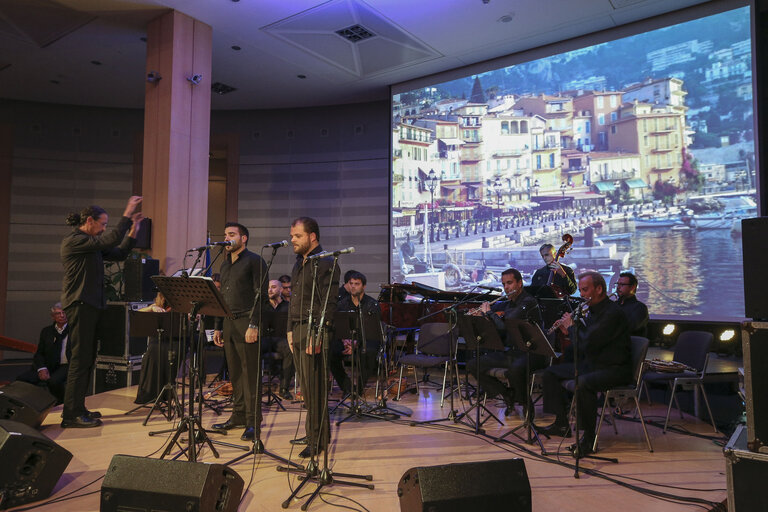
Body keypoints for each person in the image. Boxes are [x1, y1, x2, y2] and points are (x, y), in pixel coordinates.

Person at [59, 196, 143, 428]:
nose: (105, 228)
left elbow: (120, 252)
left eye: (106, 224)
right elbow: (113, 238)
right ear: (89, 221)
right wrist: (128, 211)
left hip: (91, 306)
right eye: (103, 223)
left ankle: (79, 408)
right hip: (79, 305)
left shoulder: (92, 246)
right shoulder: (75, 241)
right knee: (79, 360)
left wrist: (134, 229)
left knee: (87, 359)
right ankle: (70, 415)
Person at [540, 271, 632, 455]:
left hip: (615, 368)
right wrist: (570, 330)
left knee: (582, 384)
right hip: (594, 363)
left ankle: (588, 439)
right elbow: (583, 344)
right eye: (580, 290)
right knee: (550, 373)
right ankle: (561, 423)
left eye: (585, 290)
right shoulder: (592, 311)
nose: (581, 294)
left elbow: (590, 343)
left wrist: (572, 327)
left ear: (599, 289)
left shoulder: (612, 313)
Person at [287, 217, 340, 459]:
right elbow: (294, 299)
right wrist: (289, 329)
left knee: (316, 388)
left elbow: (328, 303)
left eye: (297, 236)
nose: (292, 240)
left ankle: (318, 439)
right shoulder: (299, 263)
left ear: (312, 237)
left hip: (313, 331)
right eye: (292, 236)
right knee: (306, 390)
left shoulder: (326, 263)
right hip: (297, 329)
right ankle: (312, 432)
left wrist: (317, 334)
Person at [211, 222, 268, 442]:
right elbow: (222, 298)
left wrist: (254, 325)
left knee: (250, 374)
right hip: (228, 322)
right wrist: (218, 326)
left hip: (247, 322)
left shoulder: (255, 261)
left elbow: (260, 296)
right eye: (225, 234)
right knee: (234, 373)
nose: (227, 238)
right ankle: (238, 416)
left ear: (243, 238)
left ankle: (253, 422)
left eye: (232, 234)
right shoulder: (225, 265)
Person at [465, 268, 544, 416]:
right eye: (504, 284)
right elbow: (500, 332)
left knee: (514, 369)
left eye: (509, 283)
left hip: (532, 353)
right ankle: (506, 394)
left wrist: (489, 313)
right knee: (473, 364)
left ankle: (526, 403)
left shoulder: (528, 302)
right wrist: (483, 319)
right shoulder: (508, 304)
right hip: (513, 352)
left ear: (519, 283)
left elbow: (506, 324)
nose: (506, 287)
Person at [330, 271, 380, 396]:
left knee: (369, 352)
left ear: (364, 286)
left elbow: (372, 329)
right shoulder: (342, 304)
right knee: (330, 353)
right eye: (351, 283)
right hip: (347, 340)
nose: (353, 286)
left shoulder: (372, 304)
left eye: (356, 284)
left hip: (365, 340)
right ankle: (347, 387)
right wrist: (345, 341)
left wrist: (356, 344)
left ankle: (359, 389)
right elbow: (338, 326)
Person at [17, 303, 71, 404]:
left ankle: (62, 404)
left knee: (54, 381)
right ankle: (32, 404)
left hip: (65, 365)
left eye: (64, 313)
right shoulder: (47, 331)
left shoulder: (74, 330)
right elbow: (39, 353)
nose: (62, 315)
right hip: (48, 365)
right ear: (53, 317)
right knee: (21, 379)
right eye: (58, 313)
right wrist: (42, 368)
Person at [261, 279, 294, 399]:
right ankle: (254, 387)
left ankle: (284, 388)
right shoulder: (262, 306)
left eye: (274, 287)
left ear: (281, 289)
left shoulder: (288, 306)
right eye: (268, 287)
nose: (270, 290)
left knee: (290, 350)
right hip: (265, 338)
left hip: (281, 339)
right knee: (252, 348)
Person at [615, 272, 649, 337]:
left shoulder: (640, 308)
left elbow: (630, 327)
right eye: (617, 284)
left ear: (632, 287)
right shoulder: (614, 305)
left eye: (622, 284)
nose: (618, 287)